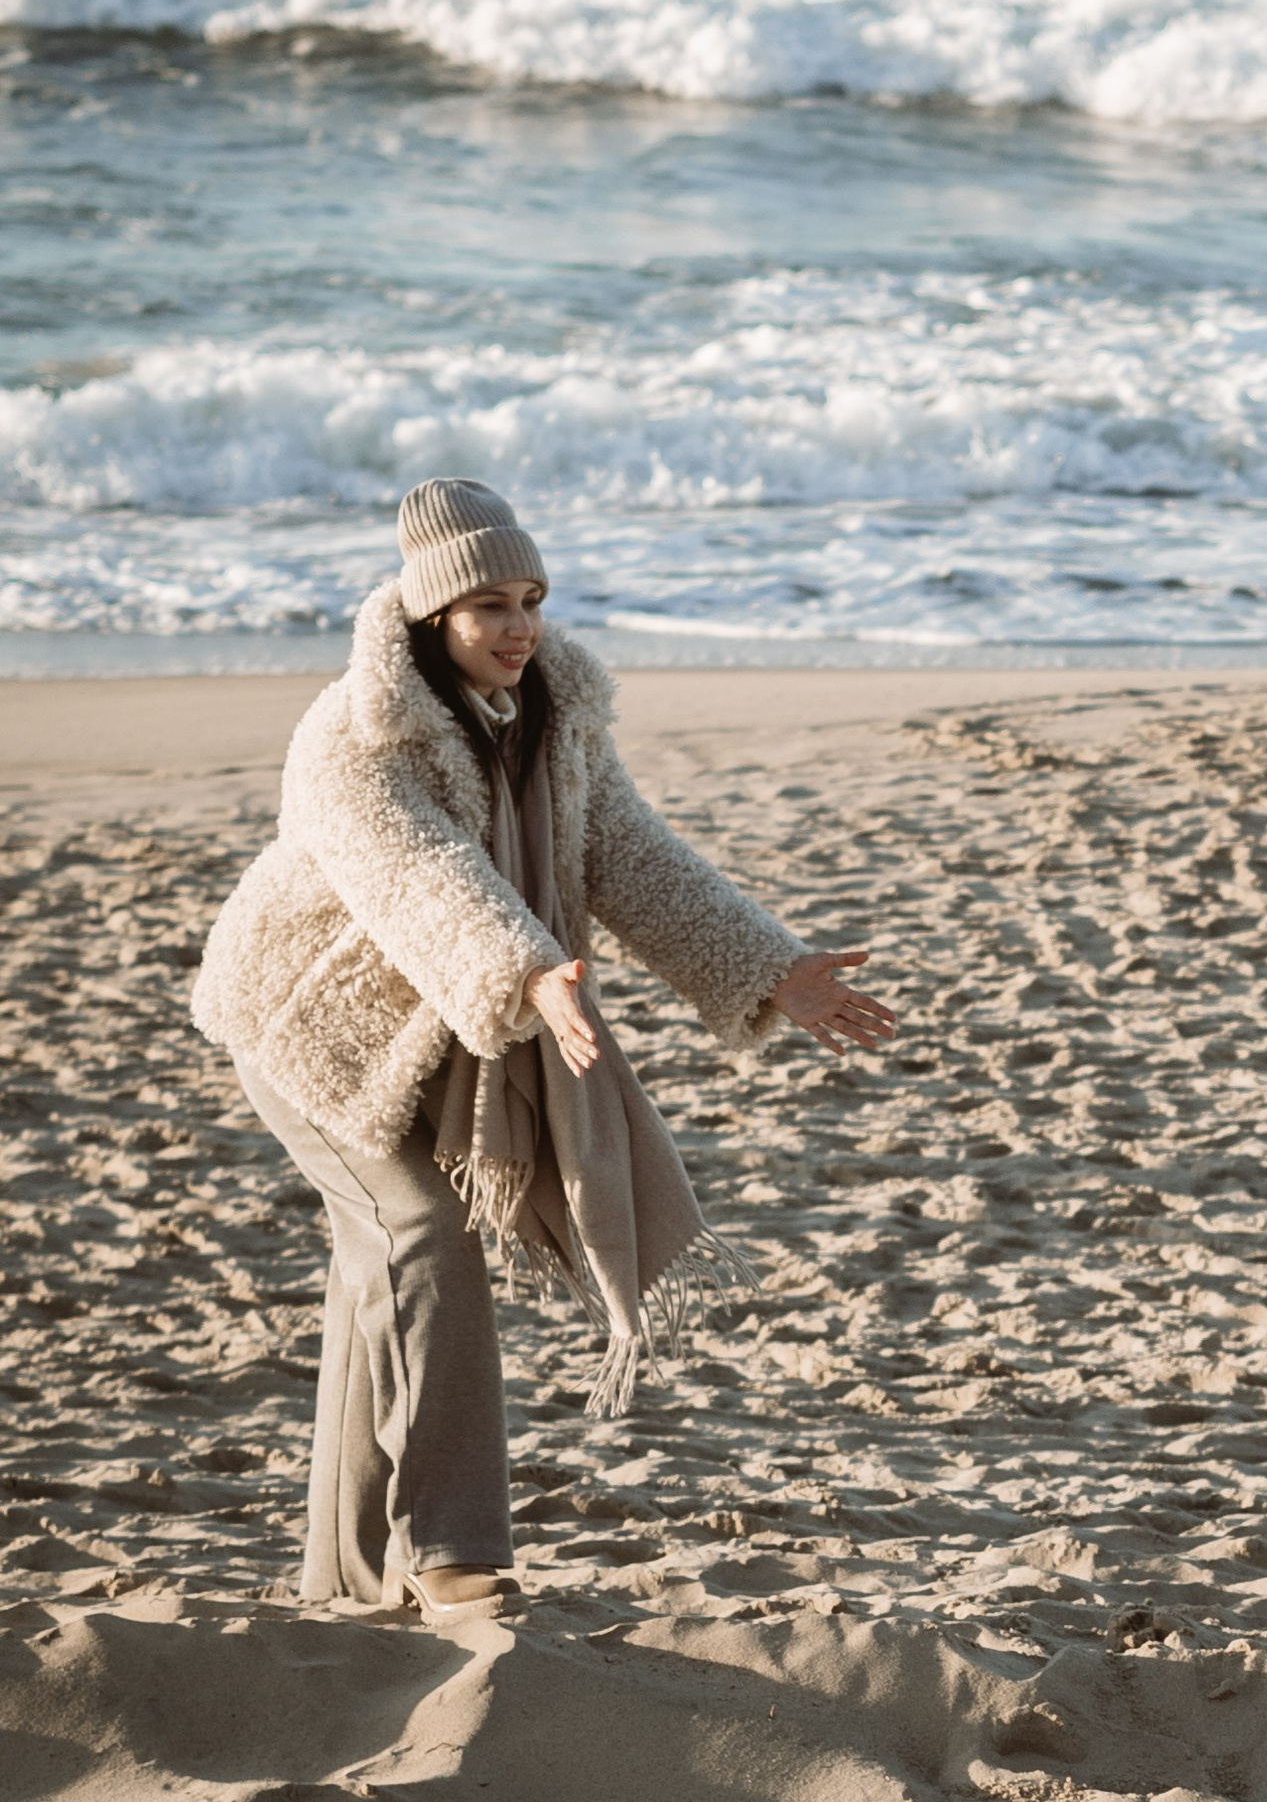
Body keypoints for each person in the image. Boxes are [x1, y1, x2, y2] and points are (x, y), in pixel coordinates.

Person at [192, 478, 891, 1616]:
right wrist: (524, 971)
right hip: (308, 1036)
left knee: (380, 1284)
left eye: (533, 598)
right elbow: (420, 875)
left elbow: (629, 856)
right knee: (422, 1235)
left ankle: (351, 1577)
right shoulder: (350, 738)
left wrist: (771, 969)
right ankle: (456, 1553)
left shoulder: (556, 716)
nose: (520, 626)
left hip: (436, 1032)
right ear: (430, 619)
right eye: (489, 607)